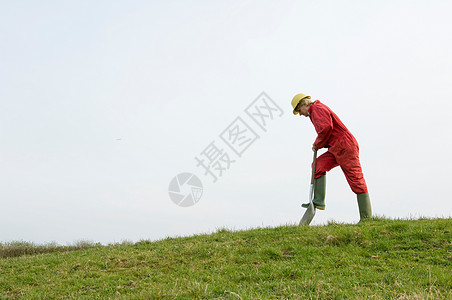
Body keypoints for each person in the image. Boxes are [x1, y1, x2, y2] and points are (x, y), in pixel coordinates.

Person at [291, 93, 372, 221]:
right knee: (317, 166)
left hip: (345, 146)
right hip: (335, 148)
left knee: (356, 180)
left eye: (298, 110)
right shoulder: (314, 111)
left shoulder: (316, 108)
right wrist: (320, 144)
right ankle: (318, 201)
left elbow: (326, 127)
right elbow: (327, 131)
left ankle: (366, 218)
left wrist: (317, 143)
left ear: (304, 104)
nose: (300, 114)